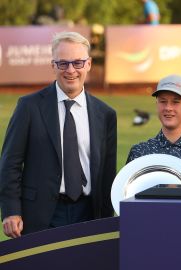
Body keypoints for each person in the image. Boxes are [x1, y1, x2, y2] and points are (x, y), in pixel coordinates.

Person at [0, 32, 117, 238]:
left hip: (89, 213)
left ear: (88, 64)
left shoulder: (105, 114)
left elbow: (107, 173)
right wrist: (11, 211)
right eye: (63, 63)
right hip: (40, 215)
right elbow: (10, 162)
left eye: (78, 63)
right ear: (53, 65)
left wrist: (107, 220)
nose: (71, 70)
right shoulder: (29, 107)